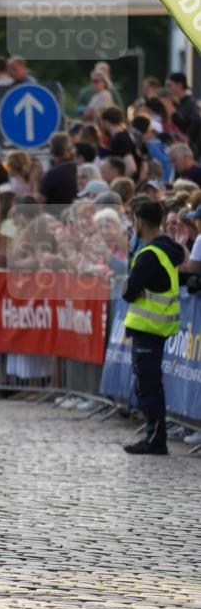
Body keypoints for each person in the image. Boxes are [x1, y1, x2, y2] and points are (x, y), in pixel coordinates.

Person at [122, 199, 184, 456]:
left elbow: (128, 292)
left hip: (148, 328)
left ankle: (155, 439)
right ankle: (154, 435)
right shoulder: (168, 248)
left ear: (138, 221)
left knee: (148, 386)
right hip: (155, 328)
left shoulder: (149, 254)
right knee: (149, 384)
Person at [166, 72, 201, 157]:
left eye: (170, 85)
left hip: (191, 151)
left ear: (180, 85)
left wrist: (188, 138)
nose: (168, 88)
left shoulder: (189, 103)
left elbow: (196, 120)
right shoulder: (180, 104)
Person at [39, 132, 78, 206]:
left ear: (51, 150)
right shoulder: (78, 168)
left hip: (56, 215)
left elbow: (40, 201)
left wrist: (34, 181)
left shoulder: (53, 173)